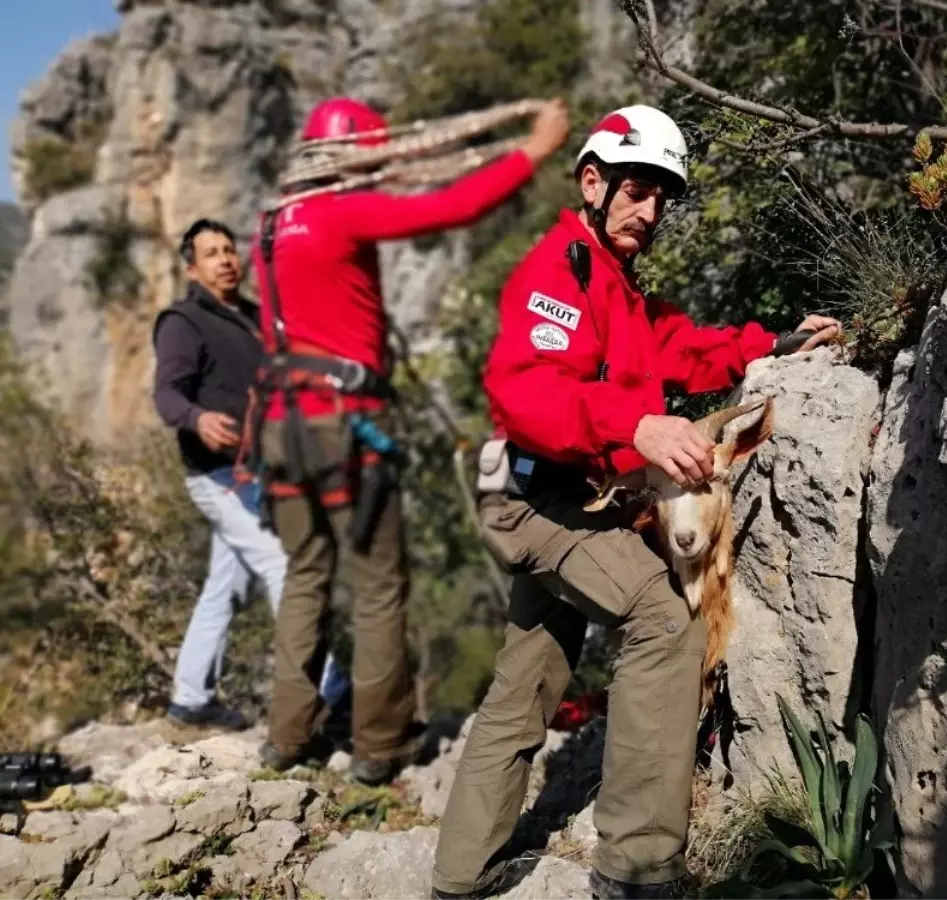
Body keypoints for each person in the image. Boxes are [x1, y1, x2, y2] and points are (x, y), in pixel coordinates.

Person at [430, 105, 841, 900]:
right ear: (594, 181)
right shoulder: (561, 272)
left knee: (529, 677)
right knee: (662, 618)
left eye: (661, 197)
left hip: (564, 498)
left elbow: (680, 347)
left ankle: (458, 875)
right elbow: (525, 393)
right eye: (636, 190)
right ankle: (638, 869)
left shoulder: (613, 283)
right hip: (545, 500)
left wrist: (771, 344)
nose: (650, 211)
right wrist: (639, 425)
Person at [251, 96, 572, 786]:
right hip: (341, 424)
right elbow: (451, 208)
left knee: (306, 574)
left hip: (279, 422)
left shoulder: (270, 222)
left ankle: (287, 736)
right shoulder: (341, 212)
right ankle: (380, 744)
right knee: (377, 585)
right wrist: (535, 150)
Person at [152, 218, 349, 731]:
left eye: (229, 249)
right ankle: (326, 691)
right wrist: (197, 418)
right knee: (287, 564)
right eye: (211, 253)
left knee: (226, 585)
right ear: (191, 268)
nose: (225, 259)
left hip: (261, 469)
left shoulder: (254, 319)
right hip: (217, 475)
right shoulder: (183, 320)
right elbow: (168, 392)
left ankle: (190, 700)